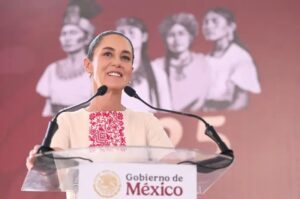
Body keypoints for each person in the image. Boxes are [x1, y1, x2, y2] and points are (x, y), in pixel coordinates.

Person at [26, 31, 174, 198]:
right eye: (108, 54)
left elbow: (174, 177)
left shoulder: (147, 121)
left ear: (130, 71)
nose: (117, 62)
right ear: (88, 65)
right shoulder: (67, 120)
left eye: (125, 57)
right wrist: (43, 166)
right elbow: (57, 180)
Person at [36, 5, 95, 117]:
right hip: (59, 127)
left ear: (87, 38)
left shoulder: (97, 70)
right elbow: (47, 109)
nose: (67, 38)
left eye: (73, 33)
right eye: (64, 34)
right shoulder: (52, 70)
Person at [202, 7, 261, 111]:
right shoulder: (206, 59)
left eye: (215, 21)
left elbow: (241, 102)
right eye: (206, 22)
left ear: (231, 27)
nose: (208, 26)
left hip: (225, 116)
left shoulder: (240, 57)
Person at [152, 12, 212, 112]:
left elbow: (204, 95)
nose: (177, 39)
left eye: (181, 33)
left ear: (190, 37)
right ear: (165, 40)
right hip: (166, 120)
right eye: (171, 35)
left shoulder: (202, 62)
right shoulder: (157, 66)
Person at [116, 17, 160, 111]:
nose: (126, 36)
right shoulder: (106, 70)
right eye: (122, 33)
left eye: (131, 32)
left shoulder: (157, 72)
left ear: (144, 37)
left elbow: (166, 110)